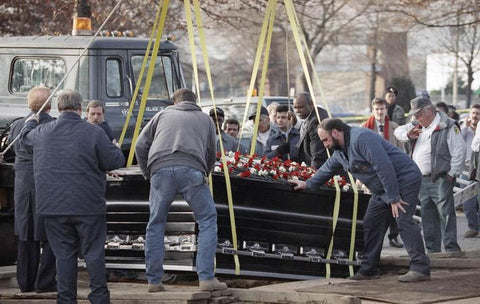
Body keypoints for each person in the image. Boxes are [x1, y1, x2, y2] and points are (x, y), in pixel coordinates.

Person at [289, 118, 430, 282]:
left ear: (336, 132)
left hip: (404, 179)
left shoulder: (361, 138)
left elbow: (384, 166)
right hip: (382, 188)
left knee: (403, 220)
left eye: (325, 139)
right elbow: (327, 169)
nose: (324, 144)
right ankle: (369, 269)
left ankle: (420, 268)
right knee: (371, 222)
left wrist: (393, 198)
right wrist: (307, 184)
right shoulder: (340, 152)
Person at [20, 89, 125, 303]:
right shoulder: (94, 133)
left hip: (53, 207)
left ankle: (66, 299)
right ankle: (98, 297)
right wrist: (114, 148)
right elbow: (115, 162)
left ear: (59, 108)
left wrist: (32, 120)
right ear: (80, 108)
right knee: (94, 254)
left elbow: (24, 140)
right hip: (88, 206)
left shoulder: (42, 132)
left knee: (64, 256)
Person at [135, 88, 227, 292]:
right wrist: (205, 172)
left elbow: (140, 145)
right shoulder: (205, 120)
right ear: (194, 102)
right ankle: (206, 278)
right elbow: (211, 151)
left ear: (174, 102)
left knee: (156, 223)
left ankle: (154, 281)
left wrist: (148, 173)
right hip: (192, 170)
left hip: (160, 169)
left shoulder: (162, 115)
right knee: (207, 220)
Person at [394, 96, 465, 253]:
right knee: (427, 216)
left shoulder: (448, 126)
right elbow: (397, 131)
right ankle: (433, 251)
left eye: (418, 114)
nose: (415, 117)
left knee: (445, 214)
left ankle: (451, 249)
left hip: (441, 178)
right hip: (422, 179)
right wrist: (408, 135)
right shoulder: (418, 125)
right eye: (414, 114)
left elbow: (459, 152)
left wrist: (451, 175)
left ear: (430, 111)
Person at [8, 86, 56, 293]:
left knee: (26, 234)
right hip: (45, 185)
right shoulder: (53, 126)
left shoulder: (18, 125)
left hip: (22, 186)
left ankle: (25, 282)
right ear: (49, 104)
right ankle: (44, 282)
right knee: (51, 234)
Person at [360, 97, 405, 249]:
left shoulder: (394, 128)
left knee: (394, 204)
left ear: (387, 110)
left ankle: (394, 236)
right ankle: (372, 240)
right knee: (372, 208)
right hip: (372, 175)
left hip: (391, 172)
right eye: (377, 109)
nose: (379, 112)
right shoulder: (364, 128)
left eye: (382, 109)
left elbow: (401, 152)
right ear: (372, 111)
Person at [293, 92, 329, 168]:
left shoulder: (316, 121)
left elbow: (318, 156)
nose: (297, 111)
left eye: (300, 107)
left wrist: (313, 176)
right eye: (295, 108)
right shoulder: (309, 116)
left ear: (311, 104)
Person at [461, 104, 480, 238]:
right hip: (466, 169)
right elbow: (456, 142)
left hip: (478, 168)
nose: (475, 116)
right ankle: (473, 227)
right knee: (468, 201)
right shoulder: (463, 130)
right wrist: (464, 127)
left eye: (478, 113)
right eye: (473, 113)